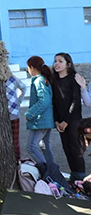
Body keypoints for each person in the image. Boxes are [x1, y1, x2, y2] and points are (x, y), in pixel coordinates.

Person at [51, 52, 85, 180]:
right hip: (60, 121)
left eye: (60, 61)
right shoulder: (54, 80)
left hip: (73, 119)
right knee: (66, 148)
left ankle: (81, 177)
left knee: (75, 147)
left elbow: (76, 101)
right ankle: (74, 176)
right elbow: (54, 102)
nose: (56, 64)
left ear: (68, 64)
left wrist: (66, 120)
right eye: (55, 61)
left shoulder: (73, 78)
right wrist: (56, 121)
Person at [25, 56, 56, 173]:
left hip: (40, 121)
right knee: (45, 145)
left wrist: (30, 114)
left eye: (28, 67)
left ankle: (46, 171)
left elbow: (44, 101)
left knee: (31, 147)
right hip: (45, 120)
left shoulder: (39, 80)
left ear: (31, 67)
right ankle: (53, 171)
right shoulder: (43, 79)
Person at [5, 72, 28, 161]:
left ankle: (17, 162)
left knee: (15, 142)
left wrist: (18, 101)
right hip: (4, 113)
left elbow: (23, 87)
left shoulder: (11, 78)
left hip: (12, 113)